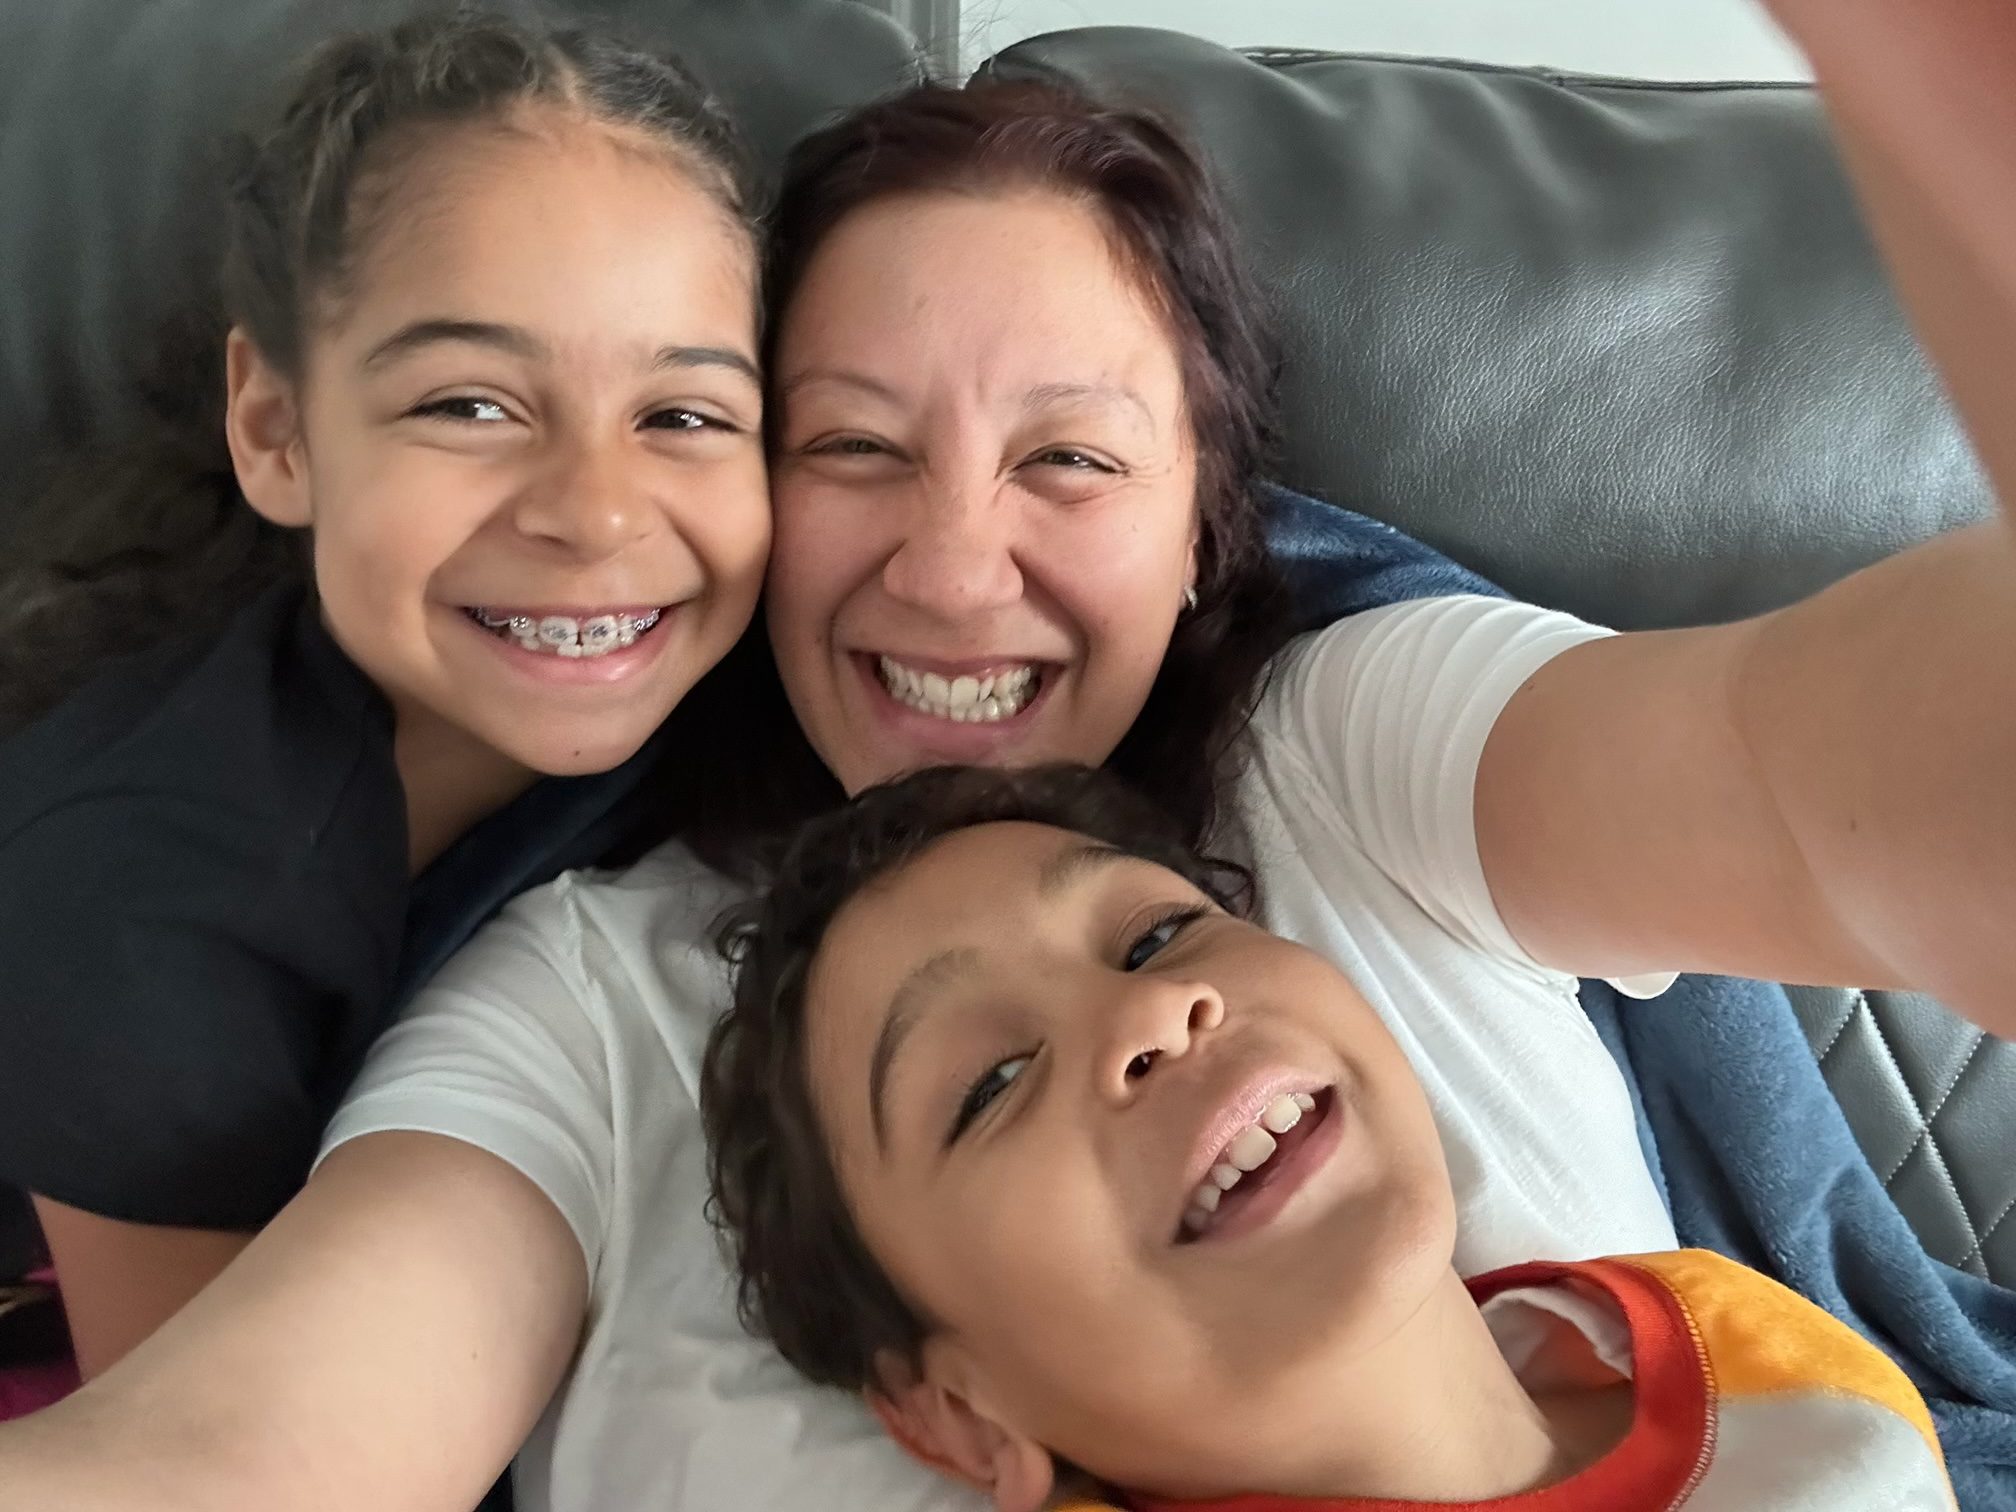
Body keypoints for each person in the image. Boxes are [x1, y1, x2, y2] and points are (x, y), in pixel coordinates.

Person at [1, 0, 2013, 1505]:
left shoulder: (1342, 747)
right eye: (854, 450)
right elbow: (234, 1451)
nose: (958, 573)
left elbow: (1800, 779)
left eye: (1069, 459)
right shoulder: (580, 989)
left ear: (1217, 520)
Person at [0, 11, 769, 1391]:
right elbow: (221, 1457)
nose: (596, 513)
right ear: (276, 431)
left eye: (684, 415)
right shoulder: (143, 915)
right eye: (470, 406)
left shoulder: (747, 663)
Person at [701, 760, 1958, 1512]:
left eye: (1154, 937)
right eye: (993, 1083)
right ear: (958, 1416)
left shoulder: (1752, 1353)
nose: (1153, 1009)